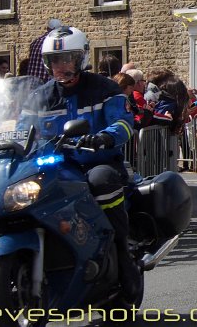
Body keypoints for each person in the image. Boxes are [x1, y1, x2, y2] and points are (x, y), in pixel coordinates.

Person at [19, 27, 140, 302]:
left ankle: (123, 256)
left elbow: (123, 122)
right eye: (54, 60)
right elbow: (22, 129)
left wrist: (104, 138)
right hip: (56, 168)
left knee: (101, 182)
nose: (60, 66)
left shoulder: (104, 88)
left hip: (97, 163)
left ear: (81, 58)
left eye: (66, 59)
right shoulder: (40, 96)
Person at [26, 18, 62, 83]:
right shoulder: (55, 43)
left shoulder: (35, 42)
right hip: (45, 84)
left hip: (31, 82)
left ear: (47, 28)